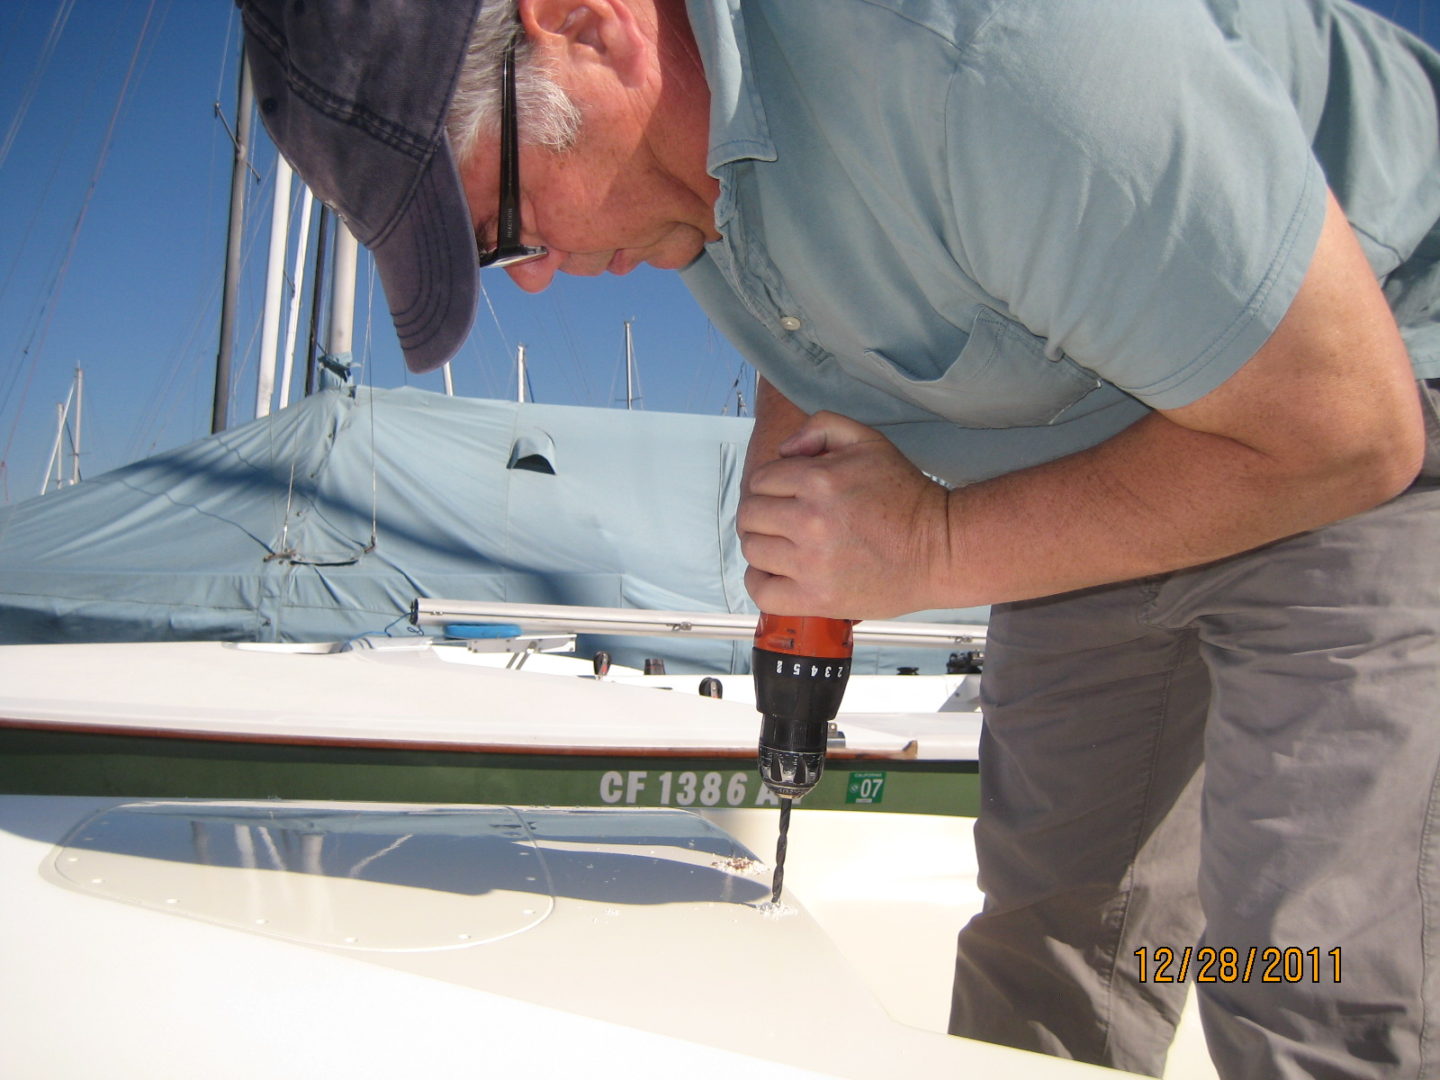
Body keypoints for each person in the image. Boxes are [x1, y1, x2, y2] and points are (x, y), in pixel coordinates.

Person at [238, 0, 1440, 1074]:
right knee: (1048, 955)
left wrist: (929, 551)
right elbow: (829, 316)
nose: (537, 281)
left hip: (1347, 387)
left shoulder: (986, 49)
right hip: (1084, 443)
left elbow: (1348, 431)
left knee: (1299, 979)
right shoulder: (684, 188)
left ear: (588, 27)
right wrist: (805, 471)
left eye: (501, 220)